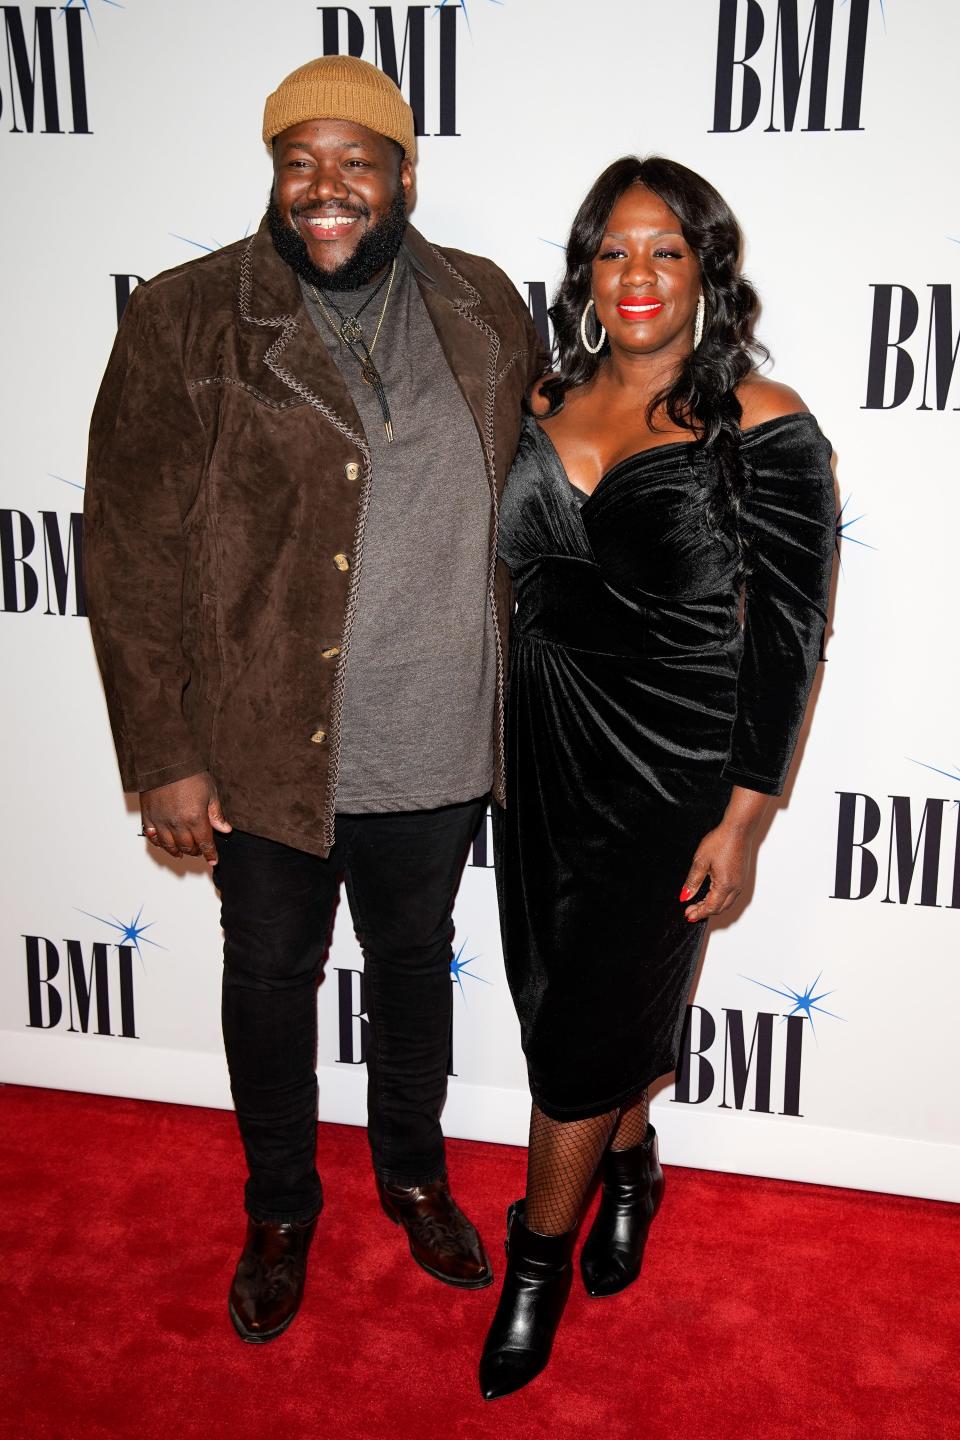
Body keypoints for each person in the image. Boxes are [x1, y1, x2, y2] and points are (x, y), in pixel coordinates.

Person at [84, 55, 544, 1345]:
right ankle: (281, 1205)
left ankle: (412, 1175)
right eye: (300, 162)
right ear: (274, 175)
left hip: (440, 733)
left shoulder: (487, 305)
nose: (325, 189)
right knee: (273, 971)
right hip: (262, 746)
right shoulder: (185, 316)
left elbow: (544, 496)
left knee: (413, 967)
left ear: (405, 171)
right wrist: (165, 754)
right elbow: (126, 546)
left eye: (356, 161)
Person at [479, 156, 836, 1399]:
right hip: (539, 761)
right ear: (586, 269)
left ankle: (537, 1262)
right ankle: (633, 1168)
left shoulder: (765, 421)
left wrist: (746, 816)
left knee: (580, 1035)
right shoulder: (540, 396)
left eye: (665, 251)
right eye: (614, 250)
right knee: (562, 999)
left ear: (704, 274)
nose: (637, 274)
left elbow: (788, 635)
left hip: (668, 770)